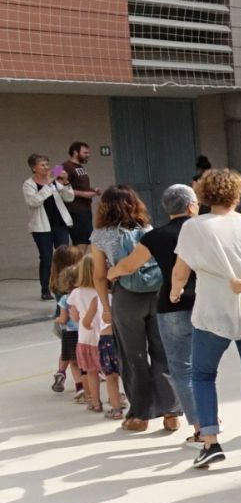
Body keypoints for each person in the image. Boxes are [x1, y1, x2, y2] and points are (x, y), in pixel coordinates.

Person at [171, 169, 241, 469]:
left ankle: (210, 441)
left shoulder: (195, 226)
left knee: (203, 375)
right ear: (236, 193)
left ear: (204, 194)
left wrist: (175, 291)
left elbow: (181, 270)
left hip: (214, 308)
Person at [108, 184, 200, 442]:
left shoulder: (155, 236)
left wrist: (111, 273)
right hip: (208, 304)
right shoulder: (205, 231)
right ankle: (183, 414)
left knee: (176, 364)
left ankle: (197, 423)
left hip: (172, 305)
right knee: (200, 367)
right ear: (192, 205)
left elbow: (129, 265)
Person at [91, 184, 178, 432]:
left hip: (127, 298)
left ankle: (141, 415)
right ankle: (171, 411)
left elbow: (99, 276)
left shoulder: (101, 235)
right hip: (157, 293)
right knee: (162, 352)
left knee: (133, 357)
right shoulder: (148, 229)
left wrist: (106, 308)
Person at [67, 251, 117, 415]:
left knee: (91, 372)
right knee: (111, 373)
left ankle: (95, 401)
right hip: (104, 336)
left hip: (86, 337)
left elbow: (74, 317)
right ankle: (116, 398)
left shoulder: (76, 293)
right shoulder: (105, 293)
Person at [23, 153, 74, 300]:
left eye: (47, 164)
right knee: (46, 258)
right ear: (34, 168)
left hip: (60, 225)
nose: (47, 167)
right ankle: (45, 289)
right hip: (41, 227)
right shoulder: (28, 184)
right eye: (42, 165)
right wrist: (48, 185)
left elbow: (69, 197)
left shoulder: (54, 180)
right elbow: (34, 202)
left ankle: (65, 287)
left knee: (63, 257)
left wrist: (64, 182)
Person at [50, 244, 87, 397]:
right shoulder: (78, 284)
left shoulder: (57, 284)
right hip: (81, 326)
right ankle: (83, 383)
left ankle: (61, 372)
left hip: (65, 326)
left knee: (68, 352)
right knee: (80, 355)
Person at [62, 141, 99, 245]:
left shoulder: (80, 167)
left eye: (88, 153)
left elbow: (78, 186)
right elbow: (53, 185)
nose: (88, 155)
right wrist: (83, 194)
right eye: (85, 153)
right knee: (81, 243)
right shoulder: (62, 166)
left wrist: (92, 190)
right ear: (75, 152)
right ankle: (76, 261)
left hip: (85, 209)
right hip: (75, 210)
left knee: (86, 242)